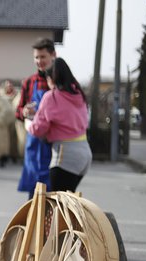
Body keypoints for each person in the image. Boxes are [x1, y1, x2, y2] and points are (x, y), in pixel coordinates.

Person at [27, 58, 91, 192]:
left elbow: (38, 129)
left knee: (58, 205)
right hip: (84, 152)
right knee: (68, 201)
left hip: (65, 155)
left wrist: (28, 122)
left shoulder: (51, 97)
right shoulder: (79, 95)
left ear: (51, 79)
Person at [16, 38, 56, 198]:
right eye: (36, 57)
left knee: (54, 198)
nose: (39, 61)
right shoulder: (29, 82)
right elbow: (17, 111)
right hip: (33, 147)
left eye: (43, 57)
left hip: (55, 145)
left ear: (53, 55)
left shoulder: (61, 80)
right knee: (33, 199)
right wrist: (24, 112)